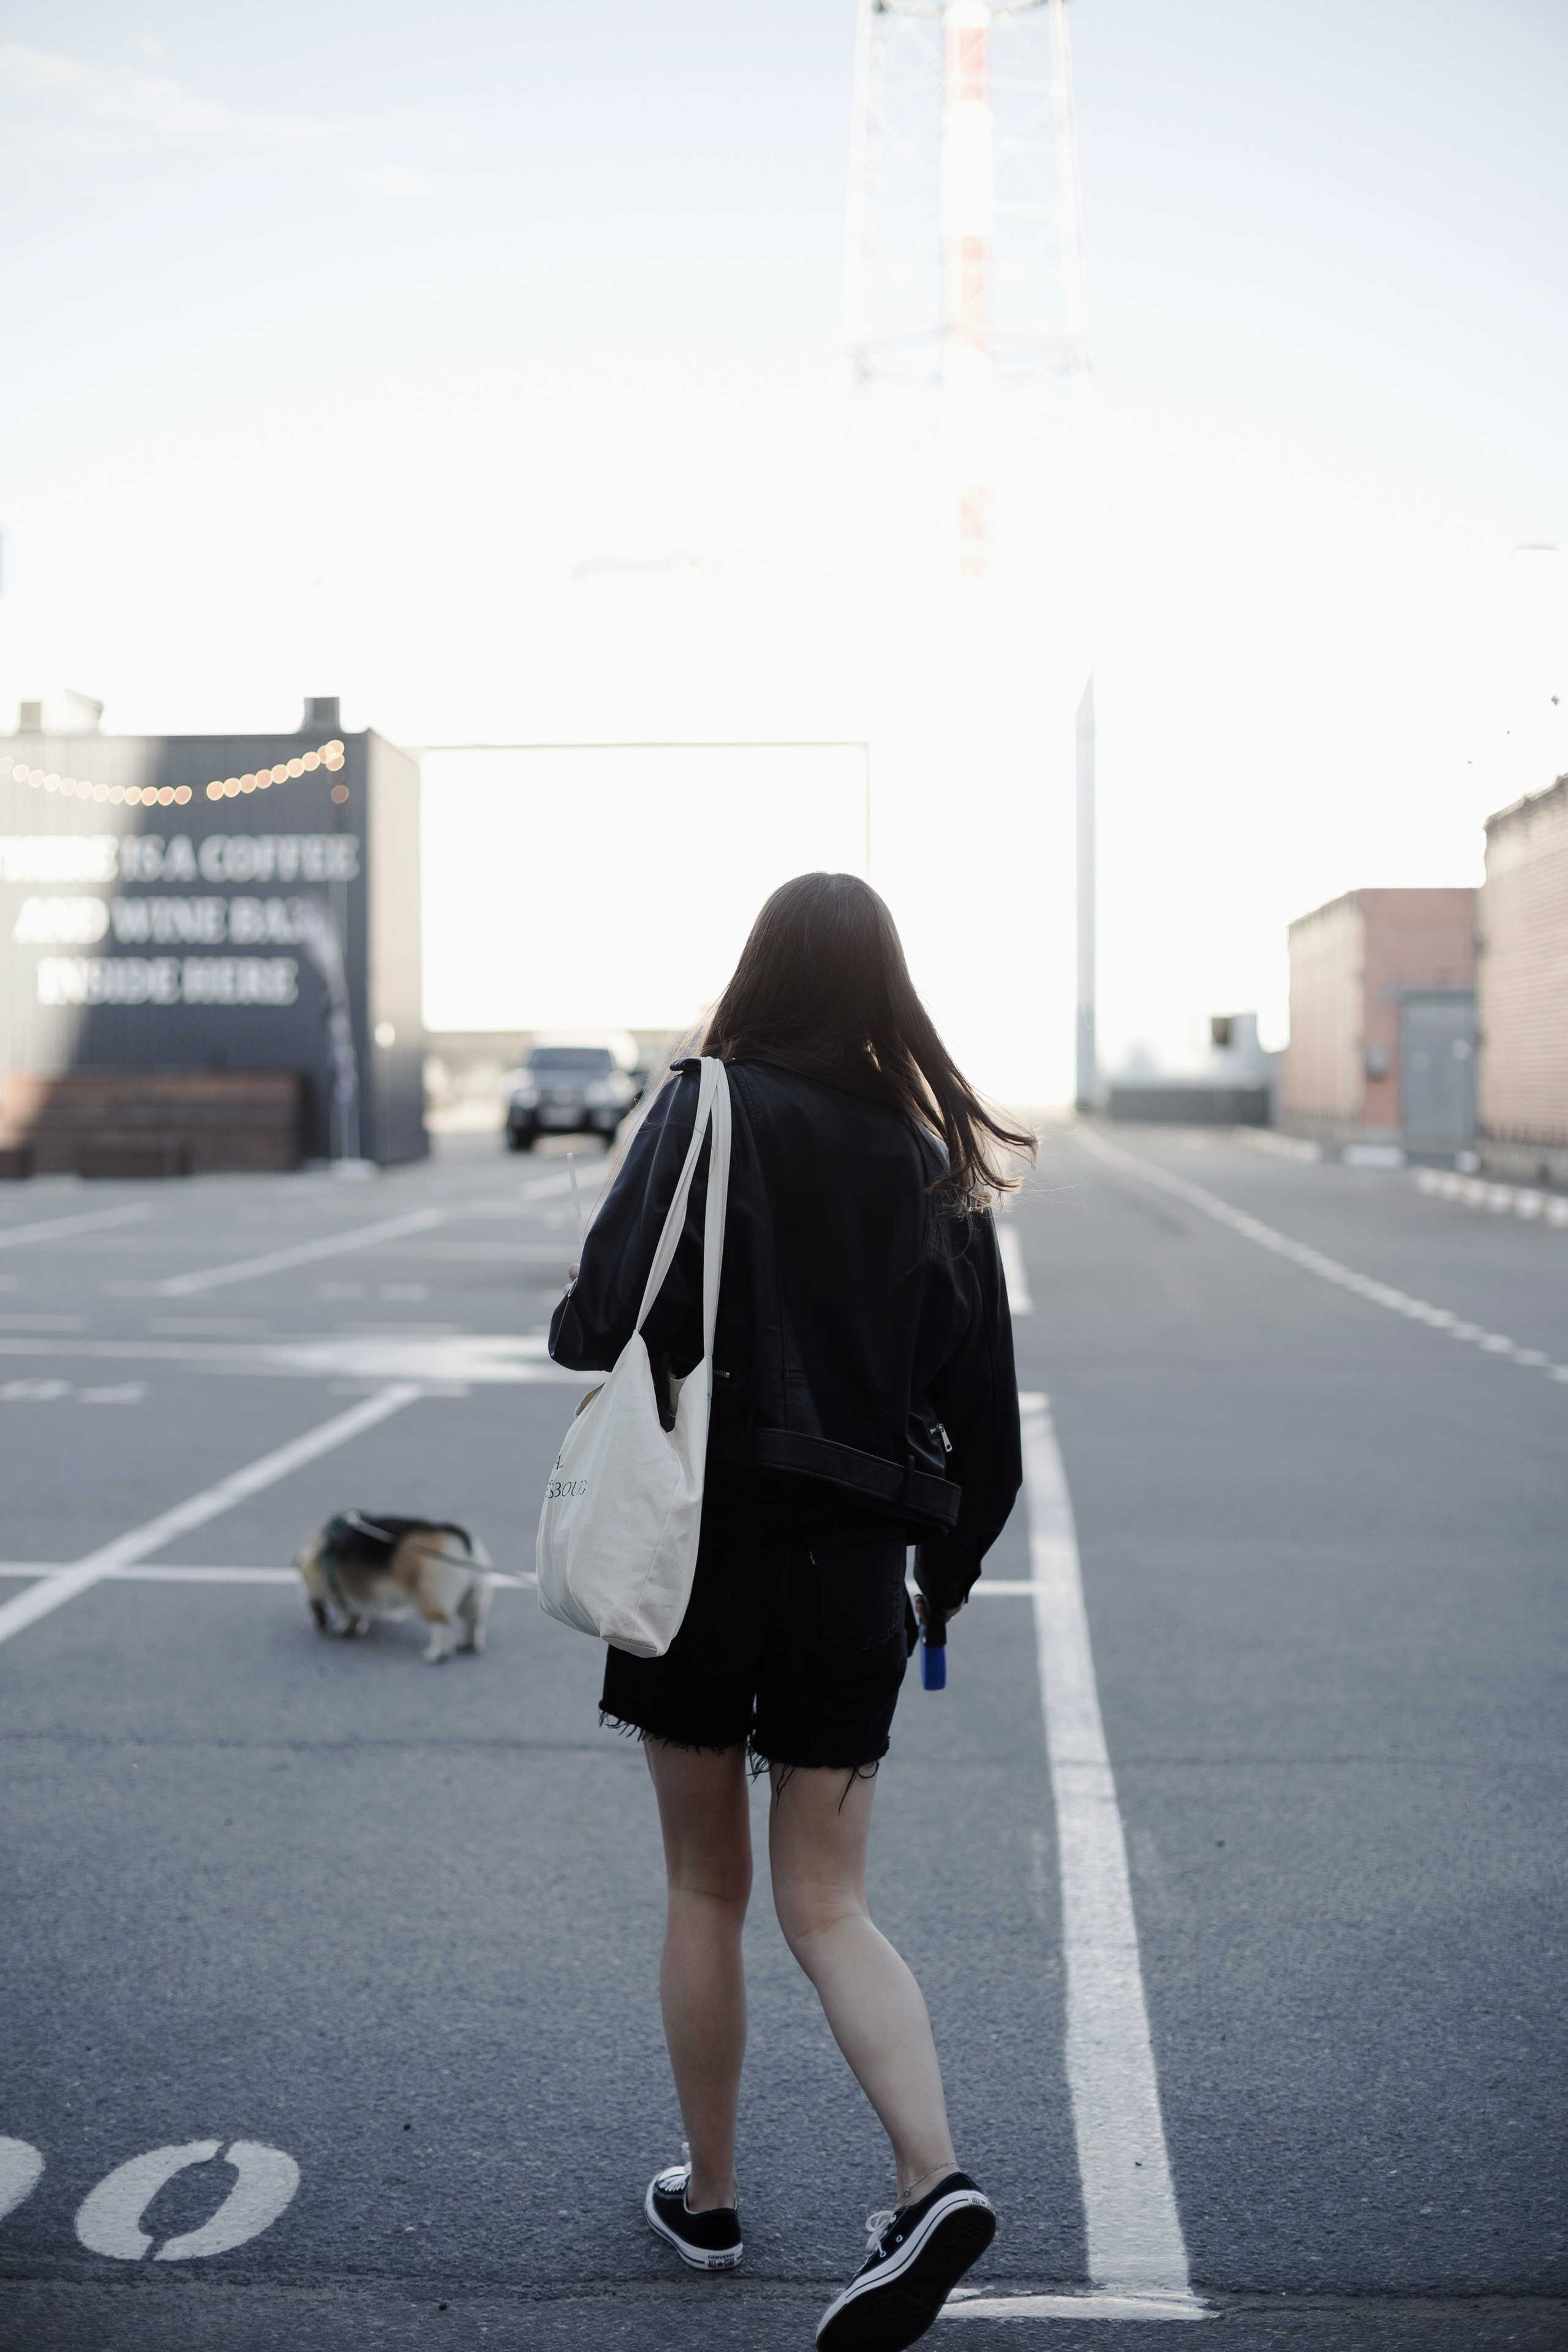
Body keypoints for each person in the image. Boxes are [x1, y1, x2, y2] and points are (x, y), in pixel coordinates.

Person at [549, 872, 1030, 2352]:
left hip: (699, 1553)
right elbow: (985, 1431)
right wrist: (931, 1590)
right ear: (889, 990)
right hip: (851, 1580)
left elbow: (588, 1320)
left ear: (759, 972)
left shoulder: (702, 1107)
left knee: (707, 1890)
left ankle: (708, 2196)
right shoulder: (929, 1156)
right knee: (833, 1905)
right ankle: (928, 2177)